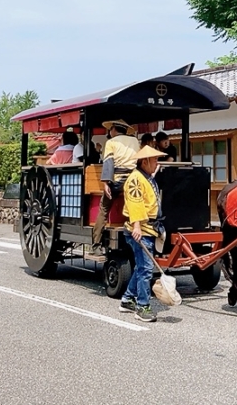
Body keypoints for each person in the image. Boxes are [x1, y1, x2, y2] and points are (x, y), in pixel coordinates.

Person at [117, 145, 166, 322]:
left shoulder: (145, 177)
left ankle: (127, 299)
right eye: (154, 160)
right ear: (144, 161)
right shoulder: (136, 180)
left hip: (149, 228)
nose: (156, 163)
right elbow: (135, 203)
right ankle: (142, 306)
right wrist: (136, 226)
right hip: (140, 229)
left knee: (141, 267)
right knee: (146, 269)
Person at [93, 119, 140, 254]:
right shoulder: (135, 141)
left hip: (118, 181)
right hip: (133, 180)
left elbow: (108, 163)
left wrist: (106, 183)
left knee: (103, 208)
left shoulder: (111, 142)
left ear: (114, 129)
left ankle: (96, 244)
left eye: (110, 129)